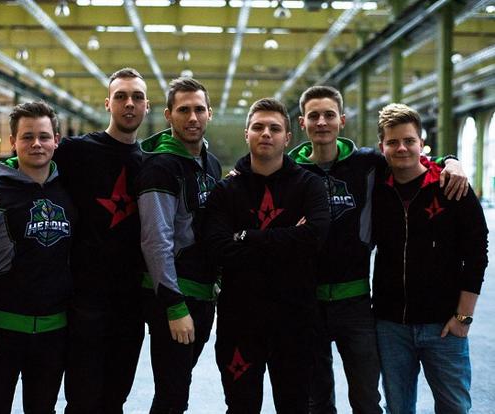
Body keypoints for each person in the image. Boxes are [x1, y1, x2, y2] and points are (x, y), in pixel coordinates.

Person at [0, 67, 149, 413]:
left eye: (137, 97)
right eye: (121, 96)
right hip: (82, 303)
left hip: (129, 304)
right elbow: (26, 159)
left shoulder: (151, 162)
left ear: (147, 106)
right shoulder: (79, 150)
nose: (129, 103)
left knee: (115, 399)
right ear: (107, 103)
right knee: (81, 400)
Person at [286, 85, 468, 414]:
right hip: (306, 303)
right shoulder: (289, 171)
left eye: (329, 115)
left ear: (341, 120)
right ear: (302, 123)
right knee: (316, 399)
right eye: (314, 116)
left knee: (367, 399)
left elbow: (410, 156)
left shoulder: (367, 163)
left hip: (355, 304)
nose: (322, 122)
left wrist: (451, 161)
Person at [205, 98, 330, 413]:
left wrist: (246, 237)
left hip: (296, 322)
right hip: (239, 323)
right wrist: (289, 240)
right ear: (246, 133)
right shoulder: (225, 191)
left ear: (287, 138)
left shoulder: (310, 186)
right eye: (258, 127)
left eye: (274, 128)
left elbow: (313, 239)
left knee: (295, 406)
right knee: (241, 407)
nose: (266, 134)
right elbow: (219, 248)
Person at [0, 101, 76, 413]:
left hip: (53, 333)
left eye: (44, 136)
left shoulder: (71, 190)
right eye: (27, 136)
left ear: (56, 140)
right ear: (13, 141)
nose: (36, 144)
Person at [372, 103, 488, 413]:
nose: (401, 148)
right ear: (381, 147)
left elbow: (477, 253)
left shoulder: (452, 187)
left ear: (422, 144)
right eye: (393, 142)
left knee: (454, 407)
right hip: (391, 326)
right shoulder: (376, 189)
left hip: (444, 324)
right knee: (398, 408)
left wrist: (463, 317)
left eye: (409, 140)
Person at [136, 77, 221, 414]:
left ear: (210, 113)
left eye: (199, 109)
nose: (193, 117)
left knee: (177, 388)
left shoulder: (211, 164)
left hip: (203, 294)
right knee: (172, 396)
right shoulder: (160, 166)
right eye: (184, 110)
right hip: (174, 297)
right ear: (169, 115)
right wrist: (173, 305)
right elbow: (156, 240)